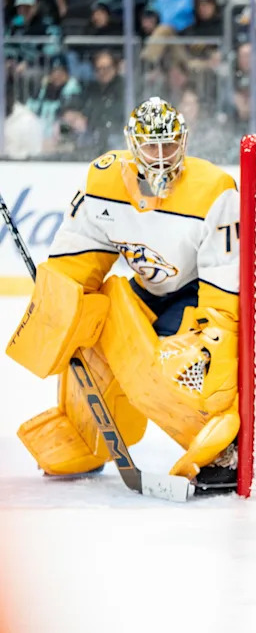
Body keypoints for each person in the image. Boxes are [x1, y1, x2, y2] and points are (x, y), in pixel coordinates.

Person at [6, 97, 240, 491]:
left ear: (183, 142)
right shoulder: (104, 182)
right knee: (93, 332)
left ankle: (218, 445)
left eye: (169, 145)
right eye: (152, 146)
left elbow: (224, 286)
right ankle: (86, 437)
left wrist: (211, 335)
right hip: (148, 290)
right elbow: (78, 258)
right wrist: (62, 305)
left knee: (172, 368)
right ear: (133, 146)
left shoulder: (214, 190)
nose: (162, 156)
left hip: (198, 293)